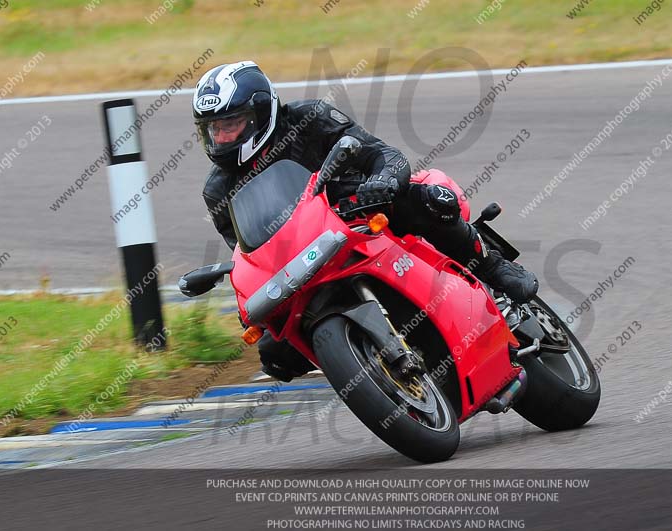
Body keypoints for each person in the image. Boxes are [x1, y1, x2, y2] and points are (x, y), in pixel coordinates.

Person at [194, 61, 538, 381]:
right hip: (303, 256)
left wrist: (383, 181)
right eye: (213, 129)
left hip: (361, 209)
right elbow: (250, 251)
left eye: (231, 124)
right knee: (276, 353)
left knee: (431, 200)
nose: (221, 137)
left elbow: (381, 153)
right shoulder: (218, 190)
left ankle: (492, 267)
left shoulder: (308, 118)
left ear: (260, 112)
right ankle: (362, 362)